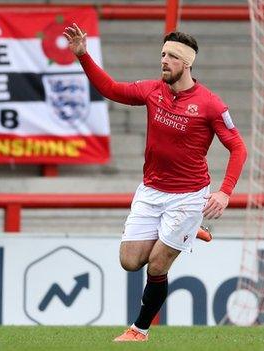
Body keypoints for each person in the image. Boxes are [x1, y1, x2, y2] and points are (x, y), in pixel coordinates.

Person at [63, 25, 247, 341]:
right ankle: (190, 231)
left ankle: (139, 330)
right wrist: (83, 55)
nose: (164, 61)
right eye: (163, 54)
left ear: (187, 63)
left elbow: (238, 147)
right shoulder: (152, 91)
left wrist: (225, 191)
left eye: (172, 56)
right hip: (151, 191)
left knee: (158, 265)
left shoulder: (210, 104)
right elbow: (110, 88)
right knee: (129, 261)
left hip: (188, 196)